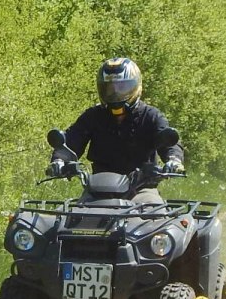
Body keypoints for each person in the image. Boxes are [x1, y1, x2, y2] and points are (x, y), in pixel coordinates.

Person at [46, 57, 184, 203]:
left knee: (154, 215)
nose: (115, 94)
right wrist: (59, 160)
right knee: (75, 218)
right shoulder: (93, 116)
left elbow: (169, 142)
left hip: (142, 189)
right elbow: (70, 142)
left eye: (122, 88)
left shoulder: (151, 116)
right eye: (109, 89)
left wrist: (173, 160)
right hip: (98, 190)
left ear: (136, 87)